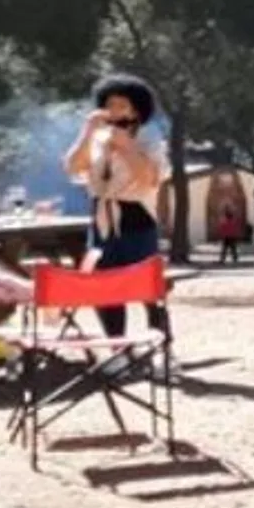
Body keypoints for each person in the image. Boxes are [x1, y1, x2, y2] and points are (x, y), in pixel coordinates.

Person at [63, 74, 171, 354]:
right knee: (105, 286)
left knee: (148, 287)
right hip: (101, 216)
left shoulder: (150, 139)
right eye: (109, 104)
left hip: (136, 216)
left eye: (122, 105)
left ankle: (162, 349)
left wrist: (125, 146)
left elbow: (149, 179)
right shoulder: (97, 137)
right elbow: (73, 167)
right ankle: (118, 351)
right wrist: (87, 132)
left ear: (136, 110)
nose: (114, 111)